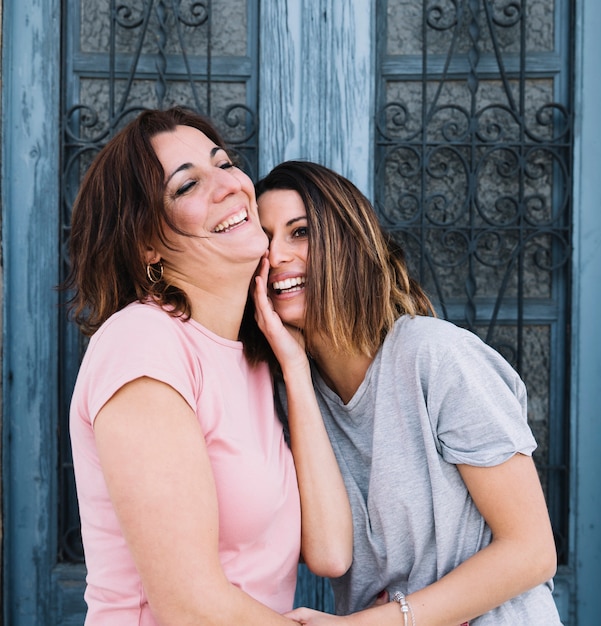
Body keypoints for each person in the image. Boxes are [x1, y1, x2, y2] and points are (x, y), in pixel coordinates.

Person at [65, 108, 351, 625]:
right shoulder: (143, 344)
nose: (229, 186)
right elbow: (188, 604)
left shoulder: (251, 355)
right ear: (146, 243)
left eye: (224, 163)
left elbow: (330, 551)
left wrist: (295, 368)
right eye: (187, 185)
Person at [252, 160, 563, 626]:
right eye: (264, 238)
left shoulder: (435, 357)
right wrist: (295, 370)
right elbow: (330, 556)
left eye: (299, 233)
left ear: (345, 243)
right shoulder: (288, 395)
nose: (276, 255)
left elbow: (532, 552)